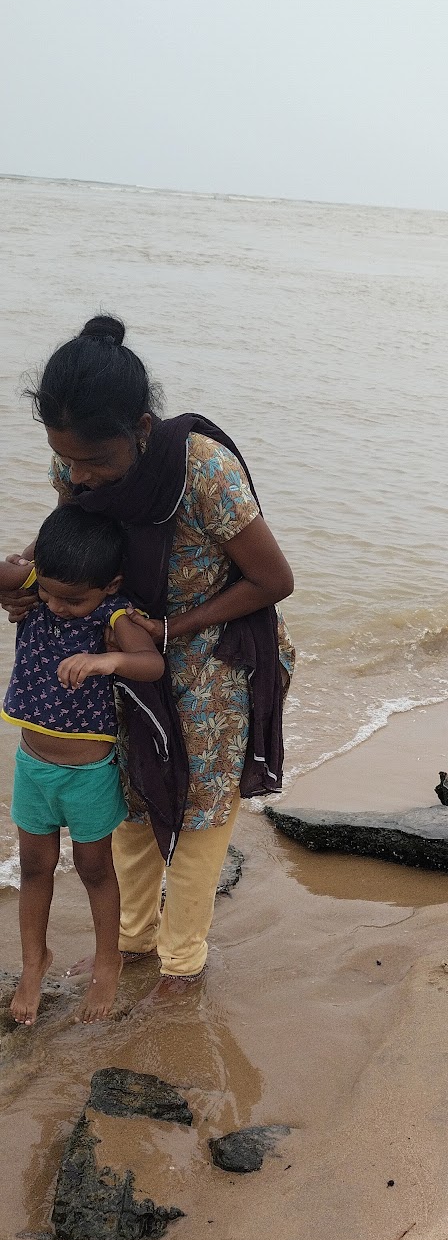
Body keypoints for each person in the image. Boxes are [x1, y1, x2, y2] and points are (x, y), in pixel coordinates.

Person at [2, 314, 295, 992]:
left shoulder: (203, 472)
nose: (80, 475)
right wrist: (32, 584)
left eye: (95, 462)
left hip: (214, 655)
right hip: (124, 642)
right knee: (129, 795)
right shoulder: (74, 463)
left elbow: (272, 580)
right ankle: (133, 938)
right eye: (66, 458)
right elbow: (72, 542)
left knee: (198, 811)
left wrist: (175, 628)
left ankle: (183, 961)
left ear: (140, 428)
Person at [0, 505, 165, 1025]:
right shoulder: (39, 586)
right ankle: (34, 962)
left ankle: (110, 960)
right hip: (33, 765)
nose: (57, 605)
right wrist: (27, 560)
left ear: (109, 584)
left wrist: (107, 659)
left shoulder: (110, 613)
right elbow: (21, 577)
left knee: (95, 870)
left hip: (89, 773)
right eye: (48, 592)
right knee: (33, 868)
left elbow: (152, 662)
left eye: (73, 599)